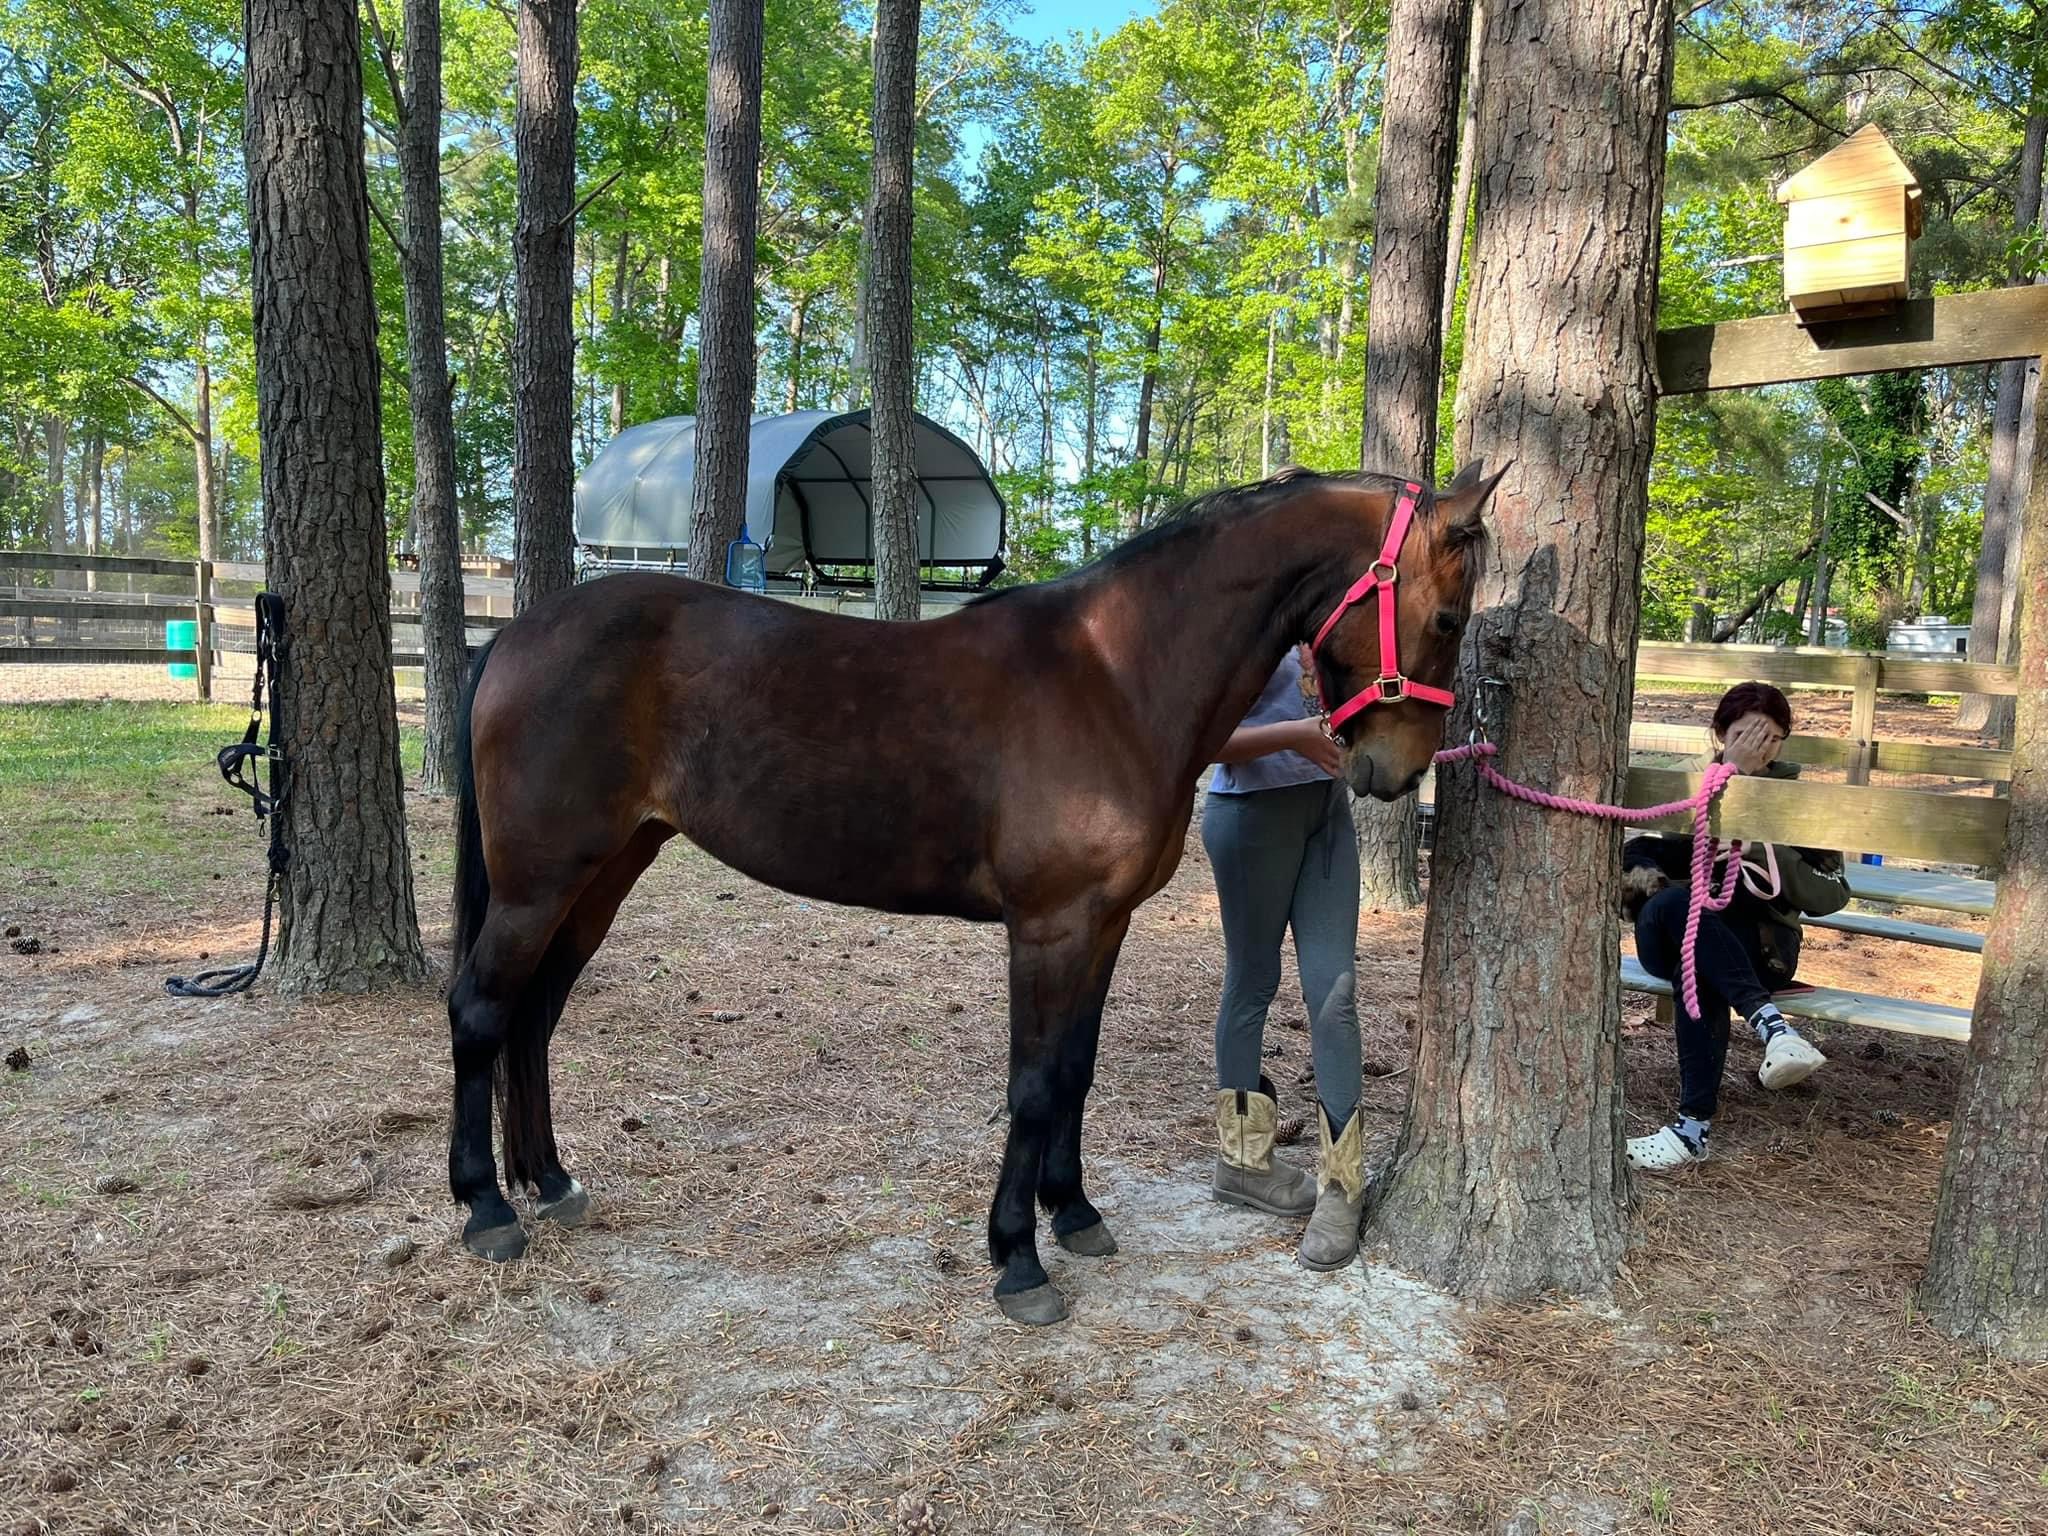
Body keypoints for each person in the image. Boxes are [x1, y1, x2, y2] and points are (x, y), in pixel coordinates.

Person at [1621, 680, 1851, 1172]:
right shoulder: (1683, 784)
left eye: (1772, 739)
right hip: (1671, 929)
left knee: (1698, 968)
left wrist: (1769, 853)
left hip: (1760, 946)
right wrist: (1729, 786)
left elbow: (1831, 894)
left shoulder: (1800, 800)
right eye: (1747, 735)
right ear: (1721, 732)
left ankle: (1691, 1131)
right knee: (1678, 911)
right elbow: (1639, 864)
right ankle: (1774, 1029)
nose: (1760, 748)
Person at [1203, 644, 1367, 1269]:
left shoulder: (1335, 617)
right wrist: (1296, 736)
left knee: (1334, 992)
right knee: (1252, 982)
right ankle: (1243, 1163)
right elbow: (1205, 739)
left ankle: (1342, 1183)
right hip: (1250, 815)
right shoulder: (1241, 614)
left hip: (1328, 813)